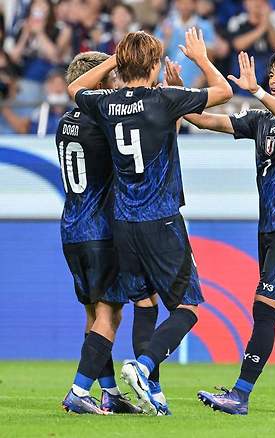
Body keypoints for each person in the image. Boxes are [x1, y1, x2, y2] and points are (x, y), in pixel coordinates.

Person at [66, 28, 233, 415]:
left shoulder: (107, 103)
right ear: (156, 64)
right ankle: (143, 367)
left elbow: (75, 88)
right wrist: (201, 60)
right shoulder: (164, 97)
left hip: (123, 223)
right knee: (188, 307)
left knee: (145, 300)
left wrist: (113, 60)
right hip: (161, 219)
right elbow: (223, 92)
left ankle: (151, 391)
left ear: (124, 64)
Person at [177, 47, 275, 415]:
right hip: (269, 228)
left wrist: (257, 92)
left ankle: (240, 394)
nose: (273, 79)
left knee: (263, 307)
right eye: (271, 74)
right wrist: (179, 95)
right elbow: (205, 121)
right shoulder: (262, 120)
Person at [59, 51, 140, 416]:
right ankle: (79, 390)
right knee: (111, 312)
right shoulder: (101, 121)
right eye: (111, 76)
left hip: (71, 228)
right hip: (100, 229)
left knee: (94, 315)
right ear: (99, 80)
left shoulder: (64, 122)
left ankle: (107, 392)